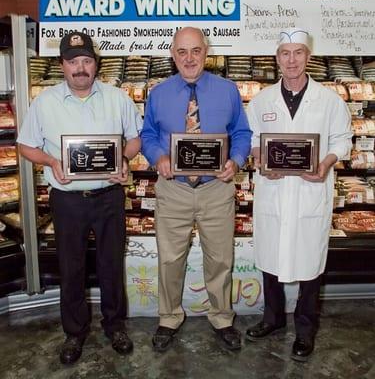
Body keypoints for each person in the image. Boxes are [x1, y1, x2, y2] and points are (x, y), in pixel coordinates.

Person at [17, 31, 143, 364]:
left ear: (96, 63)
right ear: (62, 65)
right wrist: (51, 161)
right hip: (67, 200)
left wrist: (125, 160)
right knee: (70, 267)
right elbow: (26, 145)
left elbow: (134, 139)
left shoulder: (118, 98)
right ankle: (74, 333)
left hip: (109, 196)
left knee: (111, 265)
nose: (81, 68)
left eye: (87, 60)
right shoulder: (44, 102)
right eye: (73, 61)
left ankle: (115, 326)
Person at [141, 27, 252, 352]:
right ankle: (169, 317)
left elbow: (242, 132)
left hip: (216, 188)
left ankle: (221, 317)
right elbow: (147, 135)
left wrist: (236, 159)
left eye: (196, 51)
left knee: (219, 258)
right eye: (182, 52)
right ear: (173, 55)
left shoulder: (228, 90)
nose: (189, 58)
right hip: (173, 188)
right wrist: (158, 157)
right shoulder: (158, 93)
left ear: (206, 51)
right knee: (170, 259)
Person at [245, 28, 352, 361]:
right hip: (274, 192)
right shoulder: (262, 100)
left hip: (310, 191)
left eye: (298, 53)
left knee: (310, 264)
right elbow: (251, 140)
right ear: (277, 58)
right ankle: (273, 319)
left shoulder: (330, 100)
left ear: (308, 57)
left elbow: (343, 140)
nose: (291, 60)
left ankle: (305, 330)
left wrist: (327, 162)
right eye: (285, 53)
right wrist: (260, 160)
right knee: (271, 259)